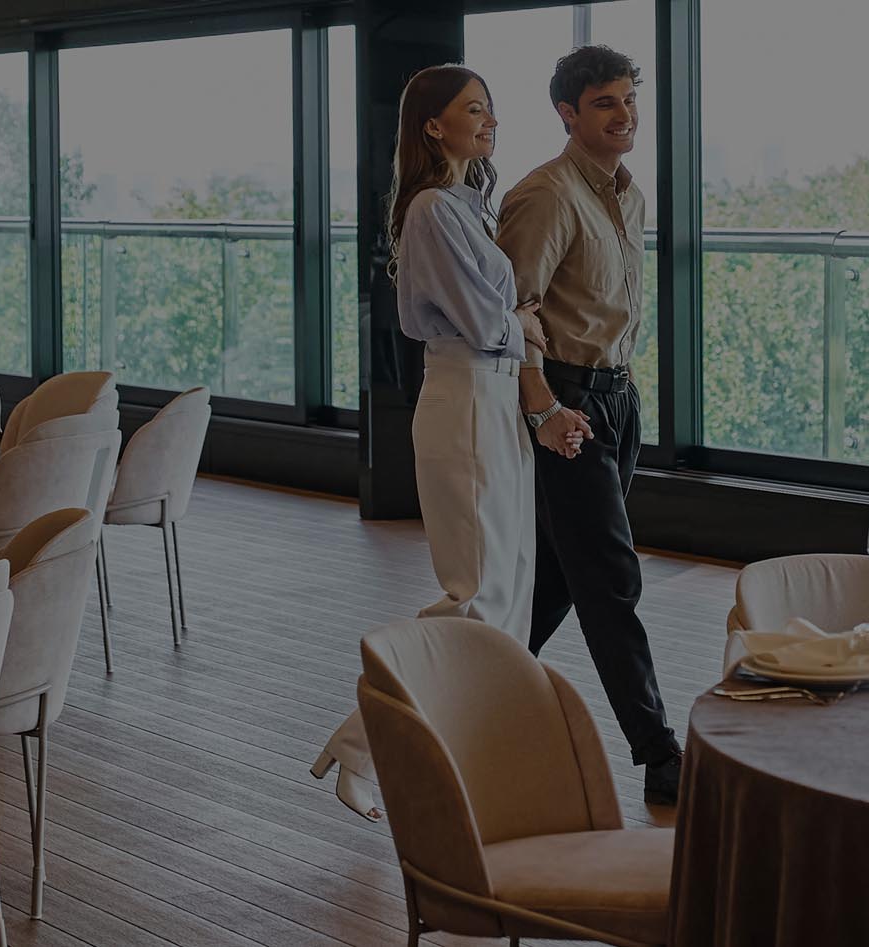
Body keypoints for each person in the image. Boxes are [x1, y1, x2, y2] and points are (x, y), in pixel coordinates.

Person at [310, 65, 573, 820]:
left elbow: (500, 310)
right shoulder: (431, 210)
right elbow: (483, 317)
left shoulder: (470, 206)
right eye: (475, 110)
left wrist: (519, 340)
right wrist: (519, 322)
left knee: (510, 594)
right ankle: (366, 746)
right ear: (434, 125)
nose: (491, 121)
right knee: (480, 595)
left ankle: (460, 750)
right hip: (463, 396)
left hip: (493, 398)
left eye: (492, 109)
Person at [496, 45, 683, 806]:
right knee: (608, 577)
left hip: (619, 397)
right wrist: (545, 407)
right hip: (566, 401)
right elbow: (512, 311)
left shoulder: (629, 196)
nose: (625, 114)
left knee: (557, 578)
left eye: (629, 100)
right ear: (568, 113)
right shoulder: (545, 194)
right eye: (605, 102)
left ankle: (458, 691)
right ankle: (659, 752)